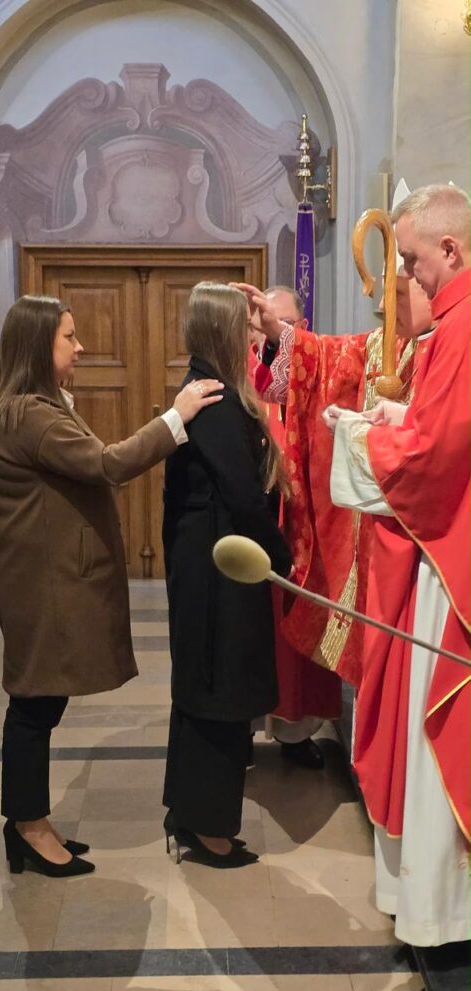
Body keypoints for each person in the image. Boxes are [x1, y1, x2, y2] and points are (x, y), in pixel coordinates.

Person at [0, 294, 224, 878]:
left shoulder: (41, 405)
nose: (80, 347)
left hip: (40, 577)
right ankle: (27, 828)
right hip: (40, 584)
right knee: (34, 705)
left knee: (40, 701)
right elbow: (107, 464)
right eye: (68, 337)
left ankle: (30, 822)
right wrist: (176, 418)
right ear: (38, 345)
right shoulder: (30, 414)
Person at [326, 183, 470, 945]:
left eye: (412, 263)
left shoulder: (462, 324)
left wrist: (363, 440)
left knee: (439, 720)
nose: (406, 279)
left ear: (449, 248)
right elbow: (442, 428)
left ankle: (443, 911)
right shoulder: (450, 324)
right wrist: (397, 417)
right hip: (448, 548)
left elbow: (433, 457)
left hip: (454, 557)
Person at [233, 275, 431, 695]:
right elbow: (321, 360)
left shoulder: (446, 347)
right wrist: (276, 331)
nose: (383, 307)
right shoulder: (381, 345)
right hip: (376, 531)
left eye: (397, 292)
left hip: (424, 537)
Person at [162, 281, 292, 868]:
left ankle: (188, 812)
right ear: (221, 330)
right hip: (220, 564)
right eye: (243, 326)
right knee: (220, 685)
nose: (251, 334)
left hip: (208, 556)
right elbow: (243, 496)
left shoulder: (206, 384)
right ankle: (208, 828)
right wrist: (280, 556)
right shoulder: (213, 398)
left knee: (202, 681)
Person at [248, 287, 337, 771]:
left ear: (302, 327)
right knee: (252, 634)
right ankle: (241, 728)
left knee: (298, 636)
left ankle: (296, 733)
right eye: (264, 323)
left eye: (285, 325)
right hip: (258, 525)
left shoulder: (319, 373)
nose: (273, 333)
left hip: (305, 524)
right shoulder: (242, 374)